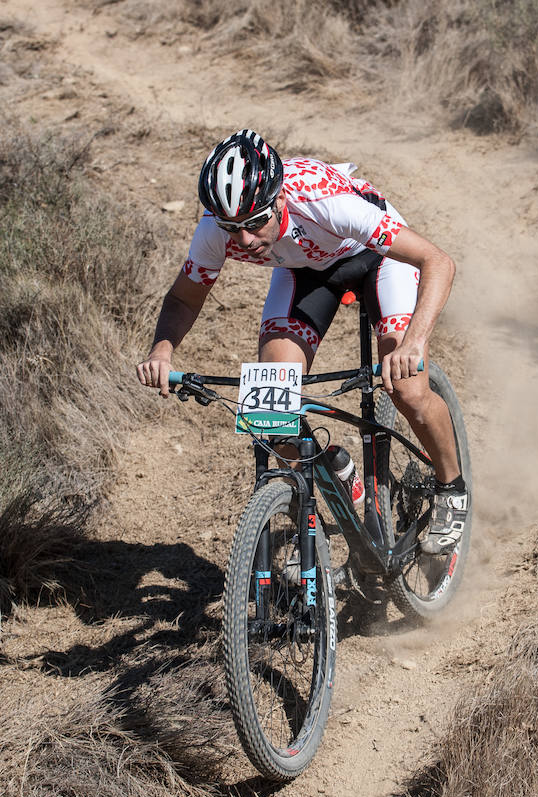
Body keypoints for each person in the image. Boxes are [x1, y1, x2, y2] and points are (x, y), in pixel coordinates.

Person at [136, 129, 467, 554]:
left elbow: (438, 261)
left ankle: (451, 488)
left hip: (376, 257)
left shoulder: (325, 202)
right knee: (270, 411)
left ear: (278, 200)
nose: (244, 242)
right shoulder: (217, 229)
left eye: (254, 224)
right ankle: (330, 495)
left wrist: (414, 344)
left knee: (406, 387)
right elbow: (184, 297)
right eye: (231, 229)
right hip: (306, 270)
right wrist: (162, 349)